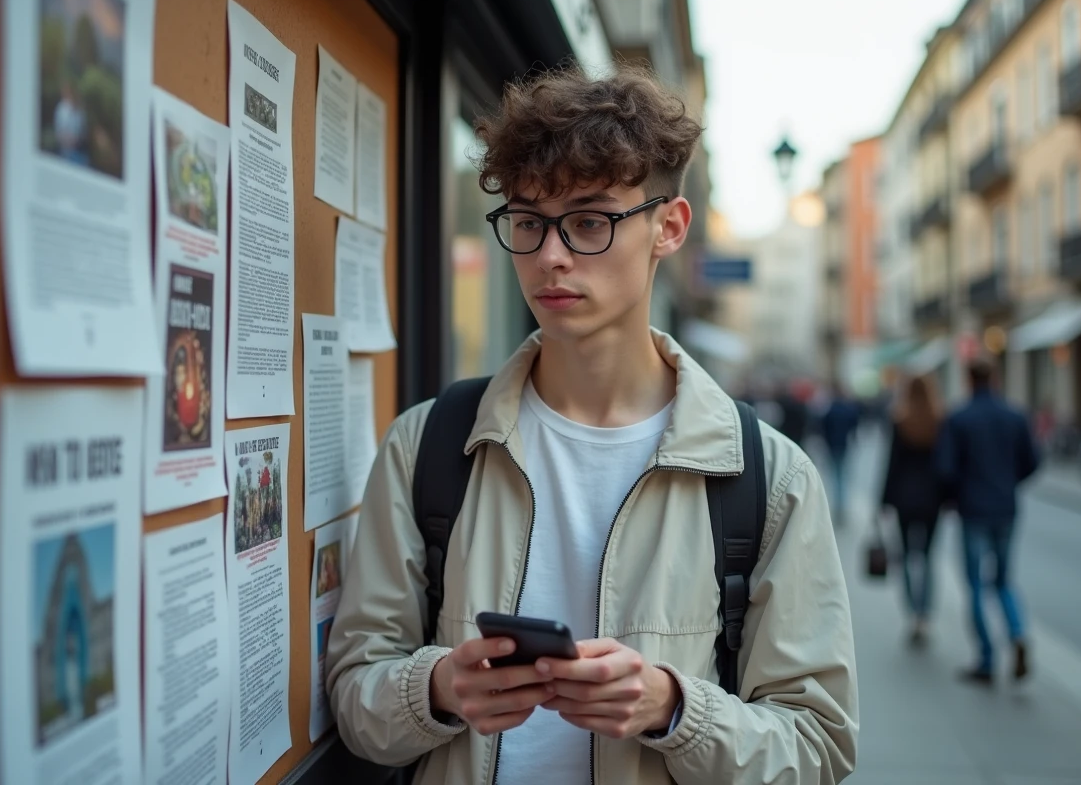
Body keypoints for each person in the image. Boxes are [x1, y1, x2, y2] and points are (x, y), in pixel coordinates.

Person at [326, 64, 858, 785]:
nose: (550, 256)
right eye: (527, 221)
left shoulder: (769, 476)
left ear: (667, 227)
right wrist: (436, 689)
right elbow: (356, 696)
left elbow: (818, 747)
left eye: (589, 221)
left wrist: (675, 708)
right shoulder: (427, 443)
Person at [937, 358, 1040, 685]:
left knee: (975, 585)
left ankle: (986, 658)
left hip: (973, 509)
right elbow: (1033, 461)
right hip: (1006, 508)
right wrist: (1009, 482)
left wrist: (955, 496)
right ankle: (1017, 633)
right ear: (995, 378)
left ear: (969, 379)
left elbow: (946, 469)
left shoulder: (959, 418)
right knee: (1004, 580)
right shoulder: (1015, 415)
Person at [879, 376, 945, 646]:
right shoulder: (939, 420)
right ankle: (925, 613)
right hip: (932, 499)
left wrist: (882, 501)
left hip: (904, 498)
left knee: (906, 556)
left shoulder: (900, 421)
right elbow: (946, 464)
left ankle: (912, 612)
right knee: (928, 556)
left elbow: (891, 464)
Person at [820, 383, 859, 526]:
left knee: (836, 476)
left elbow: (823, 428)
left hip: (832, 446)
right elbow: (854, 424)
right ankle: (842, 506)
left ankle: (839, 506)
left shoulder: (829, 410)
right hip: (844, 445)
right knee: (842, 476)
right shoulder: (848, 409)